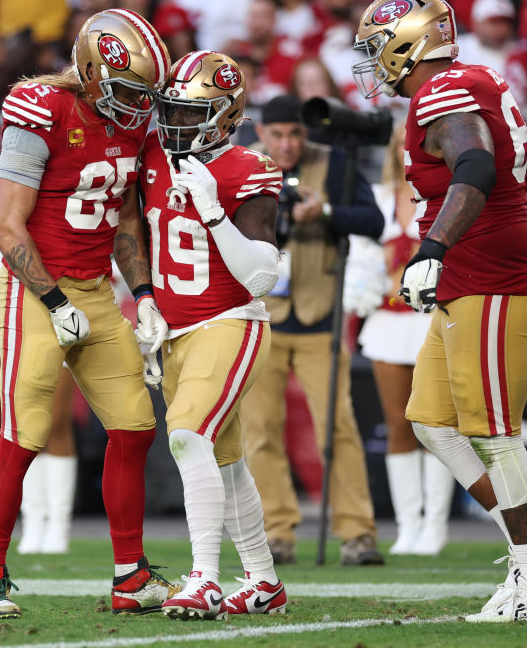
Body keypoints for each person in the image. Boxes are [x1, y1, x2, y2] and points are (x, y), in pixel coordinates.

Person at [352, 0, 527, 622]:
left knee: (494, 435)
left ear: (410, 44)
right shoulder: (467, 80)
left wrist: (431, 247)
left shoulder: (442, 91)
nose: (373, 64)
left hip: (494, 279)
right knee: (430, 420)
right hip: (474, 280)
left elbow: (473, 163)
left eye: (378, 49)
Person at [0, 8, 179, 620]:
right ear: (91, 71)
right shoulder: (40, 111)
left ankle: (131, 576)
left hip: (95, 288)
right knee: (26, 431)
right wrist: (55, 302)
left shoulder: (133, 125)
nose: (139, 106)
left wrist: (142, 295)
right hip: (34, 290)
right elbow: (5, 225)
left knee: (136, 425)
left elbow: (126, 219)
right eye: (130, 90)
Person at [142, 50, 287, 620]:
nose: (175, 124)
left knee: (185, 436)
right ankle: (263, 580)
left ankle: (204, 577)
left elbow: (262, 277)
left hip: (231, 321)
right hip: (173, 332)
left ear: (225, 116)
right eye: (171, 111)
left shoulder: (247, 168)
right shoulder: (155, 153)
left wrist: (215, 213)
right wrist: (144, 298)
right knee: (225, 461)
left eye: (190, 112)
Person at [239, 94, 385, 567]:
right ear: (261, 133)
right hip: (263, 315)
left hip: (320, 317)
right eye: (277, 134)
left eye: (295, 133)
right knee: (259, 430)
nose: (286, 144)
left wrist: (325, 213)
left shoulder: (336, 164)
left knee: (337, 426)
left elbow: (374, 221)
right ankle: (276, 532)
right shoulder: (242, 167)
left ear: (306, 133)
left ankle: (357, 533)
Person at [347, 121, 453, 556]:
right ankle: (408, 526)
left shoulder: (449, 197)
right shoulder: (379, 198)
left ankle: (436, 527)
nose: (410, 153)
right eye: (403, 146)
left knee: (436, 424)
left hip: (433, 320)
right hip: (389, 322)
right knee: (397, 424)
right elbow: (361, 260)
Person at [0, 208, 78, 555]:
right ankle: (33, 522)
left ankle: (58, 526)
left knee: (56, 423)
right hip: (19, 316)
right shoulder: (7, 200)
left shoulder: (71, 198)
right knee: (24, 427)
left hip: (65, 314)